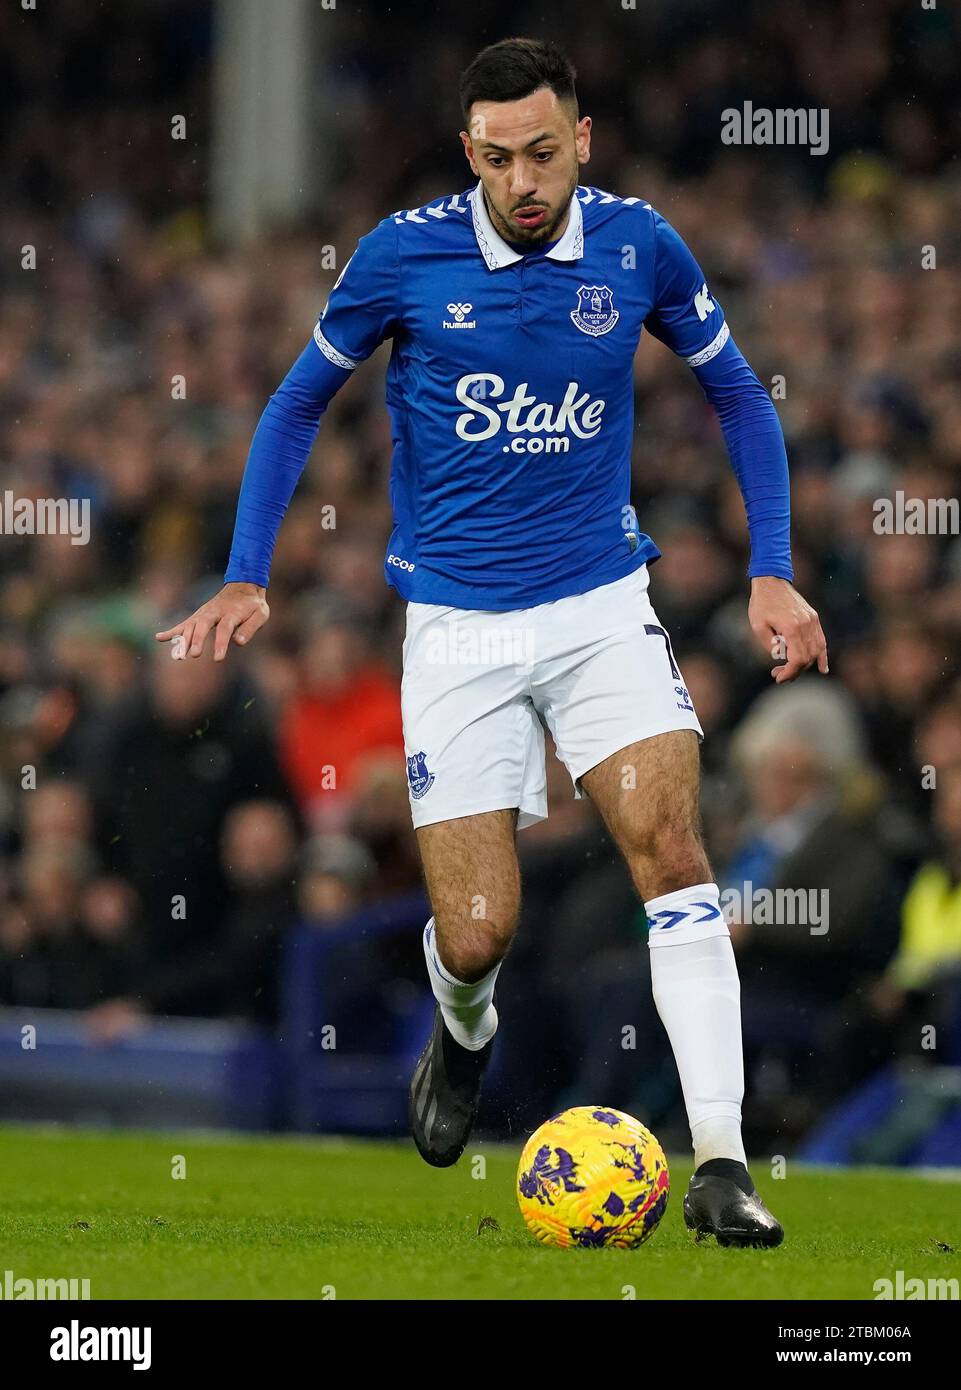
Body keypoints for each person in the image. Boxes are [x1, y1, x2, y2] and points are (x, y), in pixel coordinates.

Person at [156, 38, 829, 1247]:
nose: (524, 180)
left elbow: (738, 391)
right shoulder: (402, 256)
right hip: (458, 627)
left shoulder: (637, 246)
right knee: (477, 931)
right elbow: (296, 398)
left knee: (674, 854)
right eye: (499, 157)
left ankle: (721, 1158)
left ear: (583, 140)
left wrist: (773, 568)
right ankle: (463, 1024)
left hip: (598, 605)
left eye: (544, 151)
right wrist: (248, 569)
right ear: (471, 153)